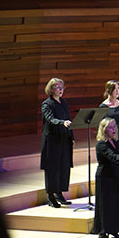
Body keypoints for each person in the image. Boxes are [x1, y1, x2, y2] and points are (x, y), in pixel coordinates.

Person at [40, 77, 73, 208]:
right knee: (52, 168)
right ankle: (51, 195)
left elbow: (68, 119)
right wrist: (62, 123)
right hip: (52, 141)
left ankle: (59, 193)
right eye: (58, 87)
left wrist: (71, 136)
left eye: (62, 87)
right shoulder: (47, 104)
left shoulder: (63, 102)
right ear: (51, 89)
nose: (61, 90)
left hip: (64, 139)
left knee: (63, 166)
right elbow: (50, 119)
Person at [99, 80, 119, 194]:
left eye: (118, 89)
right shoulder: (103, 106)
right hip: (111, 139)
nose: (117, 91)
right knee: (114, 163)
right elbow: (102, 124)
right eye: (115, 89)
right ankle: (114, 190)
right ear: (108, 91)